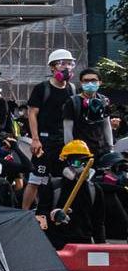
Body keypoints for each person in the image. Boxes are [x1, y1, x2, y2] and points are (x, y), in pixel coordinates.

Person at [23, 49, 77, 210]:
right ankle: (24, 214)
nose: (66, 67)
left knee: (64, 178)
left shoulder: (72, 89)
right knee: (36, 179)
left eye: (69, 63)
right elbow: (32, 114)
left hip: (65, 143)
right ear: (52, 67)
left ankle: (56, 214)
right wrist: (35, 139)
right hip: (44, 141)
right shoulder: (42, 88)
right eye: (62, 63)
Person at [37, 140, 105, 249]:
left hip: (84, 246)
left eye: (85, 163)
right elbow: (40, 218)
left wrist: (102, 249)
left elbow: (98, 224)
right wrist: (53, 217)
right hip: (57, 245)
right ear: (66, 162)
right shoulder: (54, 186)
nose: (82, 168)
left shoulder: (95, 190)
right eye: (77, 162)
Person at [67, 68, 113, 157]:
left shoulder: (104, 100)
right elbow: (67, 129)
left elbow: (106, 125)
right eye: (86, 81)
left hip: (102, 150)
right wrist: (70, 152)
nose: (90, 83)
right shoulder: (72, 102)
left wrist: (111, 147)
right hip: (80, 151)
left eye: (93, 80)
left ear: (100, 82)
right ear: (81, 83)